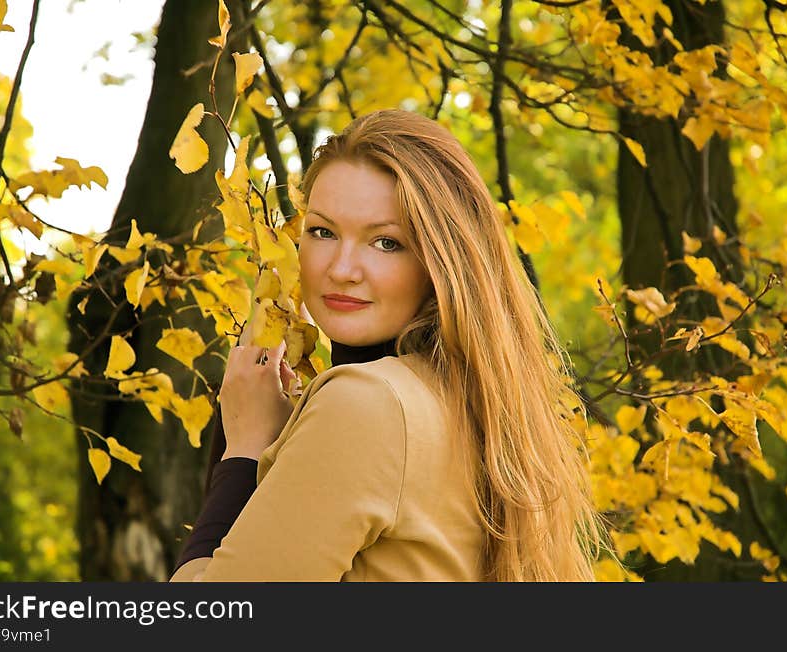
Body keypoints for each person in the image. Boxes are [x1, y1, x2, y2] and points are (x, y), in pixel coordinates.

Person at [170, 109, 606, 582]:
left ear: (440, 261)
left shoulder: (367, 403)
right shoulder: (471, 401)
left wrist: (244, 451)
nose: (342, 268)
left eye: (386, 243)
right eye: (322, 232)